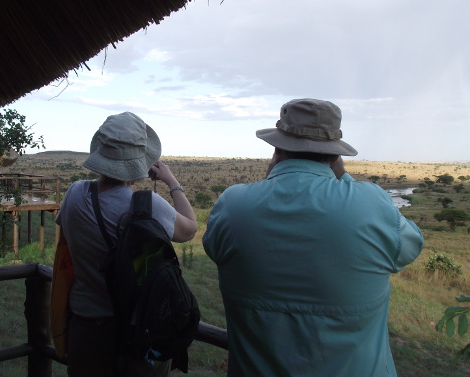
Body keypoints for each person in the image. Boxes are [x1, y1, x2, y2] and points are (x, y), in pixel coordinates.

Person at [202, 98, 424, 377]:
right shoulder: (370, 204)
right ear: (335, 155)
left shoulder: (233, 205)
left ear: (276, 146)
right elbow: (411, 245)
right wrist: (345, 181)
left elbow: (213, 247)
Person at [56, 112, 197, 377]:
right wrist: (172, 182)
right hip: (136, 332)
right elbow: (189, 229)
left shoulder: (74, 193)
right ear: (140, 161)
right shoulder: (147, 206)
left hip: (86, 328)